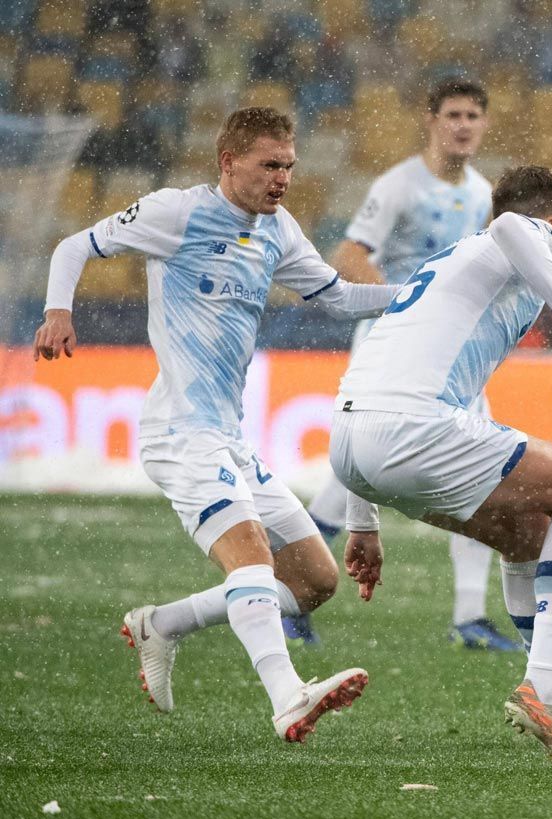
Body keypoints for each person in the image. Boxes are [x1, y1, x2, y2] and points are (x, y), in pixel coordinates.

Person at [34, 107, 403, 742]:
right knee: (252, 554)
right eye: (269, 165)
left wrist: (426, 292)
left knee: (314, 580)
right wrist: (57, 310)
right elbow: (76, 245)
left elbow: (340, 298)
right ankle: (289, 698)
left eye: (288, 165)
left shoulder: (278, 230)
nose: (282, 177)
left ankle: (164, 623)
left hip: (229, 436)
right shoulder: (175, 213)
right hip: (180, 432)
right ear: (228, 162)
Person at [331, 165, 552, 772]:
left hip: (353, 440)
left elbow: (374, 368)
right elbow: (516, 225)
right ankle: (544, 687)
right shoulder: (521, 234)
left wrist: (362, 516)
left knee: (524, 533)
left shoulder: (450, 271)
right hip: (412, 426)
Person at [299, 79, 515, 651]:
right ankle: (286, 593)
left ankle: (470, 617)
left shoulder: (483, 194)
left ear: (484, 124)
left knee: (481, 461)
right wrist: (410, 301)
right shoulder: (398, 186)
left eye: (473, 114)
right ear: (432, 120)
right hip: (392, 345)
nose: (463, 124)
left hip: (455, 353)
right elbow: (347, 255)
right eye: (452, 114)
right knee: (360, 471)